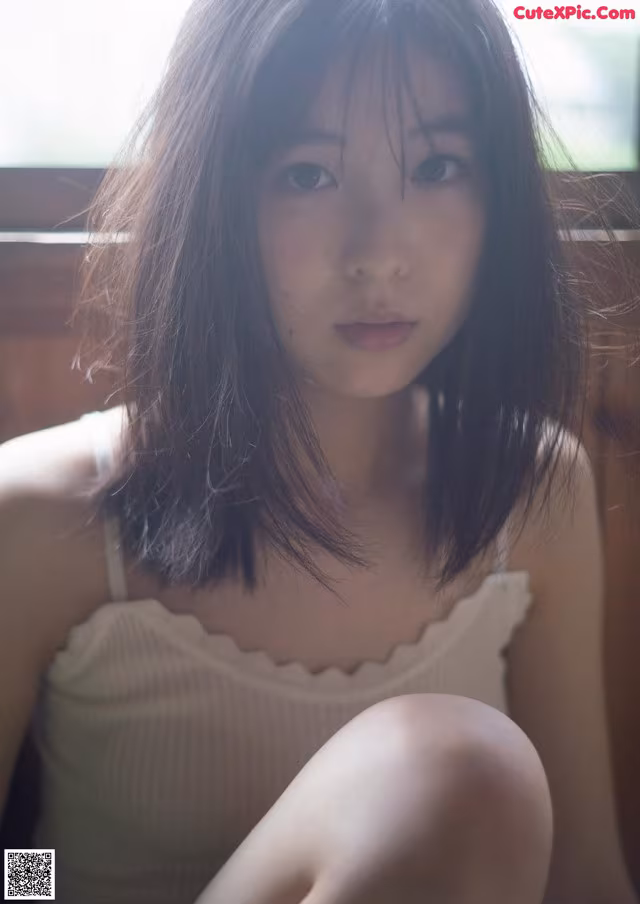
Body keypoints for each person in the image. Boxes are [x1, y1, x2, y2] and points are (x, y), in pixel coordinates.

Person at [1, 0, 638, 901]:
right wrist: (34, 891)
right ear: (216, 198)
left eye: (439, 166)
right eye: (308, 175)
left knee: (463, 776)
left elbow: (583, 875)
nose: (380, 254)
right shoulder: (39, 515)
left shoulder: (530, 491)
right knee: (455, 768)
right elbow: (9, 859)